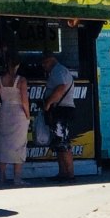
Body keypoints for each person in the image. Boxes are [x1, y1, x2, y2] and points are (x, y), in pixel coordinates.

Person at [0, 53, 30, 185]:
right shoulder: (21, 80)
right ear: (18, 65)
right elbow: (25, 101)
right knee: (19, 144)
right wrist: (27, 115)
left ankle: (2, 177)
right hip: (18, 113)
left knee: (2, 144)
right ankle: (17, 178)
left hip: (4, 111)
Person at [40, 52, 77, 181]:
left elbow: (61, 88)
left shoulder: (58, 71)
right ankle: (63, 173)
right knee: (59, 143)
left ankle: (70, 174)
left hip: (62, 110)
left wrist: (48, 103)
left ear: (50, 61)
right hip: (61, 110)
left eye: (44, 64)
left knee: (63, 143)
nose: (43, 67)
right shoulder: (60, 71)